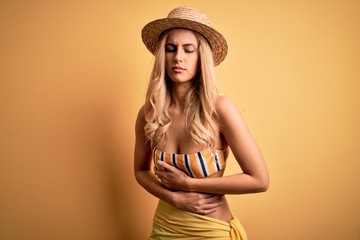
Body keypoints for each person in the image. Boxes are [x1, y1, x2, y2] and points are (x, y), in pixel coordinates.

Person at [134, 6, 269, 240]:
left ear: (201, 58)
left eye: (189, 50)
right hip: (164, 228)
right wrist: (172, 197)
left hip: (210, 231)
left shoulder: (219, 108)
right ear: (162, 56)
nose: (178, 57)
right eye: (170, 49)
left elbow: (259, 180)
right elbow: (140, 171)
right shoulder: (149, 113)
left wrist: (187, 184)